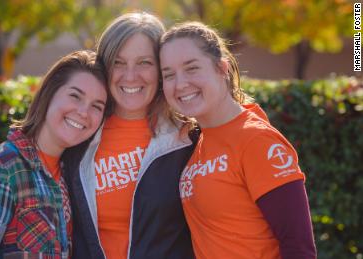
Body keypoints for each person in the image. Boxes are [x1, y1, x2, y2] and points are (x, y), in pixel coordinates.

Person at [159, 21, 317, 259]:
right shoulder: (198, 143)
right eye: (168, 74)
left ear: (221, 69)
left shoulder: (257, 140)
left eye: (191, 68)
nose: (180, 84)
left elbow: (299, 247)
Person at [0, 50, 109, 258]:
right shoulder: (1, 170)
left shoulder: (71, 176)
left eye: (96, 106)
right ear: (49, 93)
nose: (83, 112)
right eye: (75, 96)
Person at [64, 12, 196, 259]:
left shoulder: (189, 139)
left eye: (144, 62)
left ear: (160, 69)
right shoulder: (79, 134)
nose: (130, 76)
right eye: (118, 62)